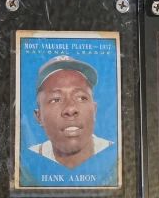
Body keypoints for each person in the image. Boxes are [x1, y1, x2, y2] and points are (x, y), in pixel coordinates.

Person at [22, 55, 115, 185]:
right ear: (39, 116)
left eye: (81, 98)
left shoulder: (116, 156)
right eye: (56, 99)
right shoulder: (26, 163)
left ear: (94, 110)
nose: (70, 109)